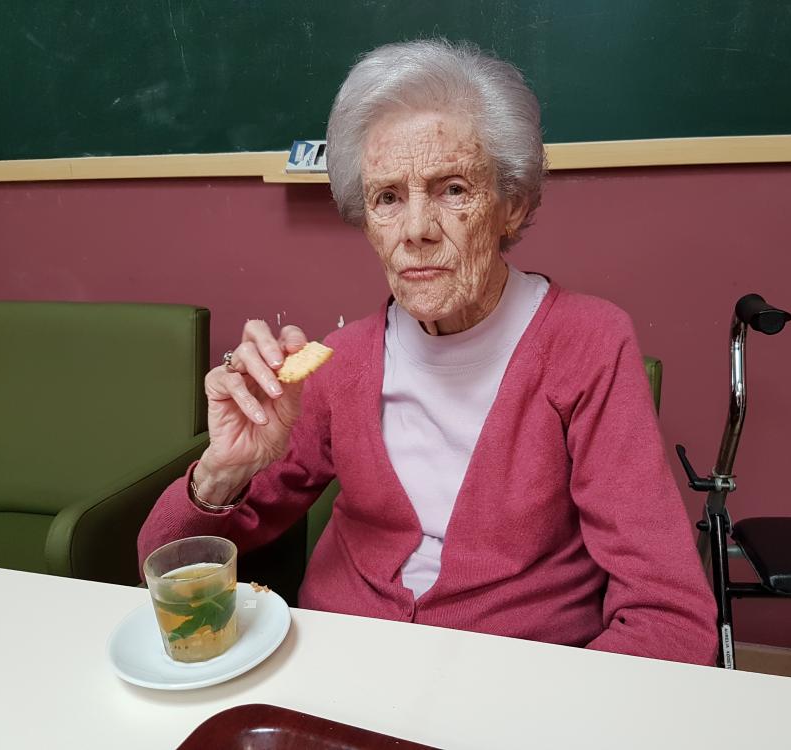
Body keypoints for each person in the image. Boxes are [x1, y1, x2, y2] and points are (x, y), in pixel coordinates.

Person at [138, 39, 717, 665]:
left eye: (452, 189)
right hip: (340, 661)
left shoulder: (588, 344)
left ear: (512, 204)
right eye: (388, 198)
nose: (415, 229)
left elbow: (669, 616)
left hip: (512, 676)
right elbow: (163, 562)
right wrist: (223, 471)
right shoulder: (339, 362)